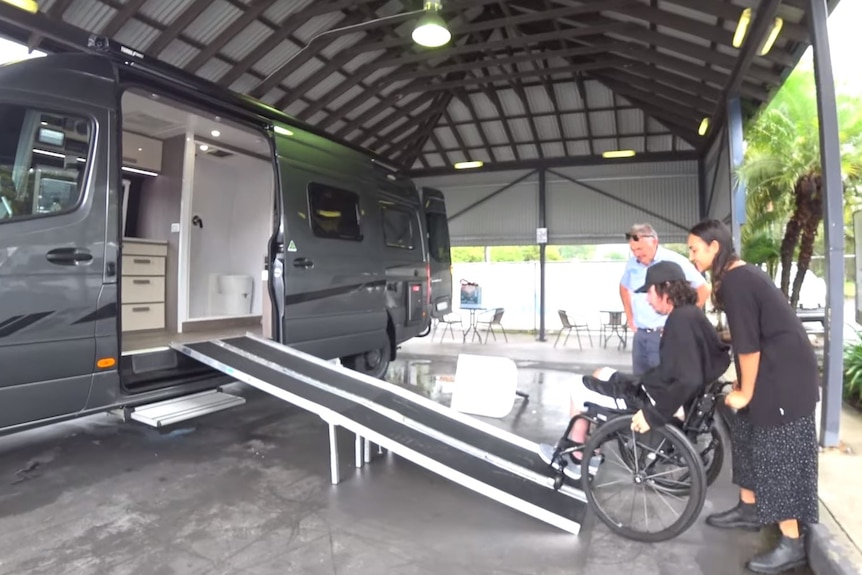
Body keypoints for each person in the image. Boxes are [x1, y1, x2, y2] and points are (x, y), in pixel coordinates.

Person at [687, 219, 819, 574]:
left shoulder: (737, 280)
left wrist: (745, 390)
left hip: (784, 377)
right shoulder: (736, 276)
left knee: (780, 454)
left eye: (694, 249)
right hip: (774, 368)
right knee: (744, 429)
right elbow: (749, 331)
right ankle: (750, 507)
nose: (691, 256)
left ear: (715, 248)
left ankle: (791, 543)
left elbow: (750, 344)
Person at [539, 261, 730, 477]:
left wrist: (653, 416)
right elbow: (718, 358)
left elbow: (690, 379)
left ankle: (576, 456)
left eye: (649, 292)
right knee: (600, 373)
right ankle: (593, 450)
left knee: (577, 386)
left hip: (649, 399)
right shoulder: (692, 315)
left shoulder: (679, 322)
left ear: (665, 287)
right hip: (654, 388)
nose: (647, 299)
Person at [620, 223, 712, 375]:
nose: (636, 254)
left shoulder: (674, 261)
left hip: (664, 334)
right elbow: (623, 287)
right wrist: (630, 317)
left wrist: (682, 320)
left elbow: (704, 288)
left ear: (654, 242)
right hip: (640, 334)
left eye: (640, 249)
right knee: (639, 383)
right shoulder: (632, 264)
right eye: (633, 250)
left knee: (665, 382)